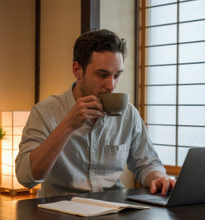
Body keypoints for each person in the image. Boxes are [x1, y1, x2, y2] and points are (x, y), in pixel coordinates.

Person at [15, 29, 175, 200]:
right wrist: (68, 125)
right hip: (60, 212)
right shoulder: (45, 112)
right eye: (102, 75)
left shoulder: (128, 114)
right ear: (77, 70)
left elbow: (147, 163)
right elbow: (26, 178)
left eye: (116, 75)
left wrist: (159, 178)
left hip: (113, 210)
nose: (111, 85)